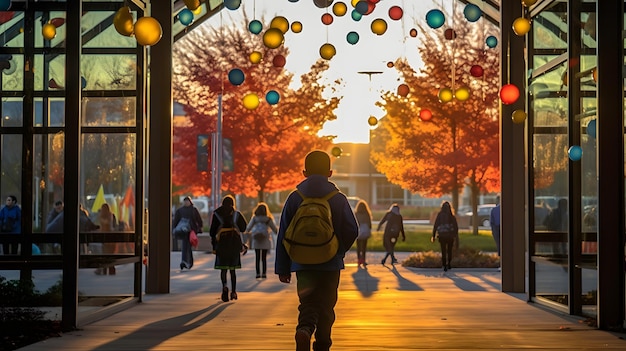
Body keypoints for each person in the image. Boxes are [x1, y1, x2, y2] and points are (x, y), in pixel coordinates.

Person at [275, 150, 358, 351]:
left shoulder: (295, 198)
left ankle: (304, 329)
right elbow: (352, 230)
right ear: (330, 172)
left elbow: (283, 233)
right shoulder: (338, 198)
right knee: (327, 306)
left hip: (302, 262)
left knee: (308, 302)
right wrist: (338, 250)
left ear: (304, 172)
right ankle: (322, 345)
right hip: (330, 264)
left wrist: (283, 267)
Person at [209, 195, 247, 301]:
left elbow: (212, 232)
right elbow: (244, 228)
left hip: (222, 244)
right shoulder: (236, 214)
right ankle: (234, 292)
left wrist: (214, 244)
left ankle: (224, 286)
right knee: (233, 270)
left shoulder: (217, 214)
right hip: (234, 244)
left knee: (223, 269)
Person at [245, 202, 278, 279]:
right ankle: (264, 273)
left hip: (256, 239)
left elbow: (248, 228)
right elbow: (274, 229)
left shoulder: (254, 218)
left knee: (257, 257)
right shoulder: (268, 219)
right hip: (265, 240)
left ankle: (257, 273)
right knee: (263, 258)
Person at [173, 196, 203, 271]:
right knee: (185, 246)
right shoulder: (180, 210)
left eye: (187, 201)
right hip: (183, 231)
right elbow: (176, 221)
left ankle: (187, 261)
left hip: (191, 231)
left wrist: (199, 228)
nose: (186, 202)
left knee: (187, 246)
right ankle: (186, 262)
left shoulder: (193, 210)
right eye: (185, 201)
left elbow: (198, 220)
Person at [431, 201, 459, 272]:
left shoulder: (440, 215)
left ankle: (444, 264)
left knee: (443, 250)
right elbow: (456, 227)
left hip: (442, 235)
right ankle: (449, 263)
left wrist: (433, 235)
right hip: (450, 236)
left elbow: (436, 225)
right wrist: (455, 236)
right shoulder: (452, 216)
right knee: (449, 251)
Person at [95, 203, 119, 275]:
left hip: (106, 238)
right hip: (111, 238)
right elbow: (114, 225)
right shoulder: (111, 215)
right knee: (110, 254)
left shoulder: (105, 216)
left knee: (105, 254)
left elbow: (105, 223)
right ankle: (110, 270)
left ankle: (104, 270)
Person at [354, 199, 372, 267]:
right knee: (364, 247)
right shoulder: (367, 213)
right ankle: (363, 260)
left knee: (358, 247)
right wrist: (369, 229)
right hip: (365, 231)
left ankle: (359, 260)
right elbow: (369, 223)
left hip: (358, 231)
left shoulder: (356, 213)